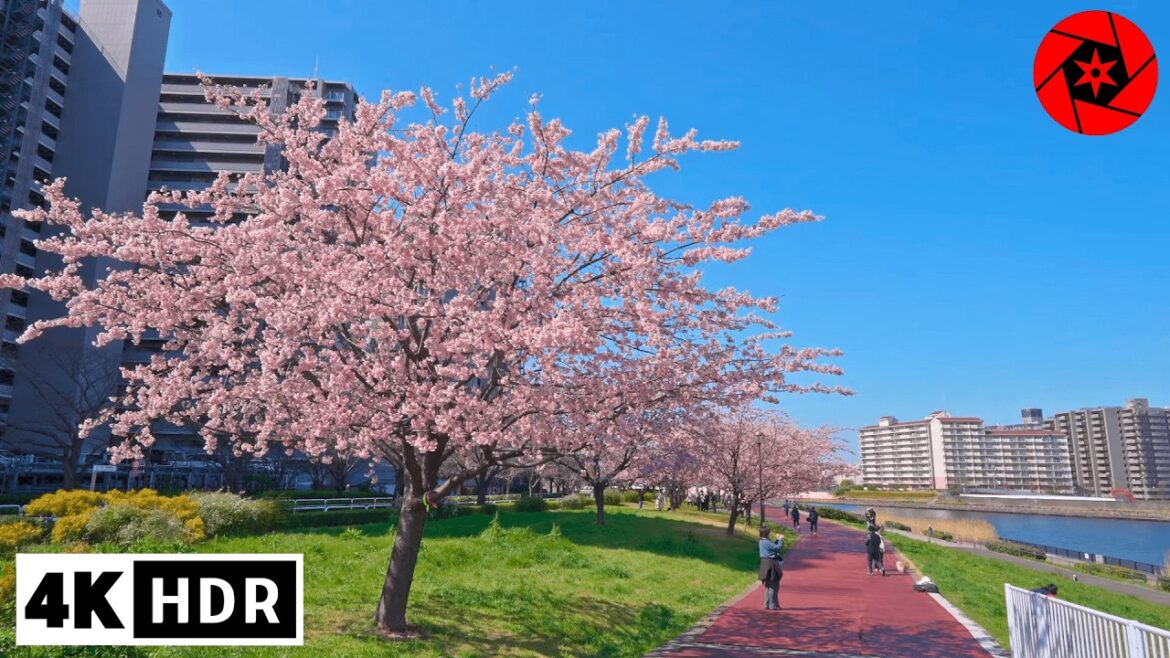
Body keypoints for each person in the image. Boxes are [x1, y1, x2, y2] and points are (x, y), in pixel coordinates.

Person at [758, 527, 784, 610]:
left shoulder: (762, 541)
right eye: (769, 533)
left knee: (768, 585)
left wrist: (776, 540)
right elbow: (777, 548)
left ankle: (767, 603)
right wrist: (780, 540)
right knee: (774, 584)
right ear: (767, 534)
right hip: (771, 563)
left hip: (764, 563)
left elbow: (772, 547)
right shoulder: (766, 542)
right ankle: (773, 605)